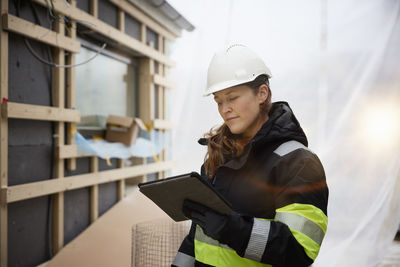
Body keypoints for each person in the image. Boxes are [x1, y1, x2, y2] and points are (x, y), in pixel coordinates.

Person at [172, 44, 329, 267]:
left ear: (262, 94)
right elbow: (197, 237)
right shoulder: (218, 155)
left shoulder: (298, 163)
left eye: (232, 97)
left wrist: (231, 229)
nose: (224, 109)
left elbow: (299, 251)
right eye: (218, 100)